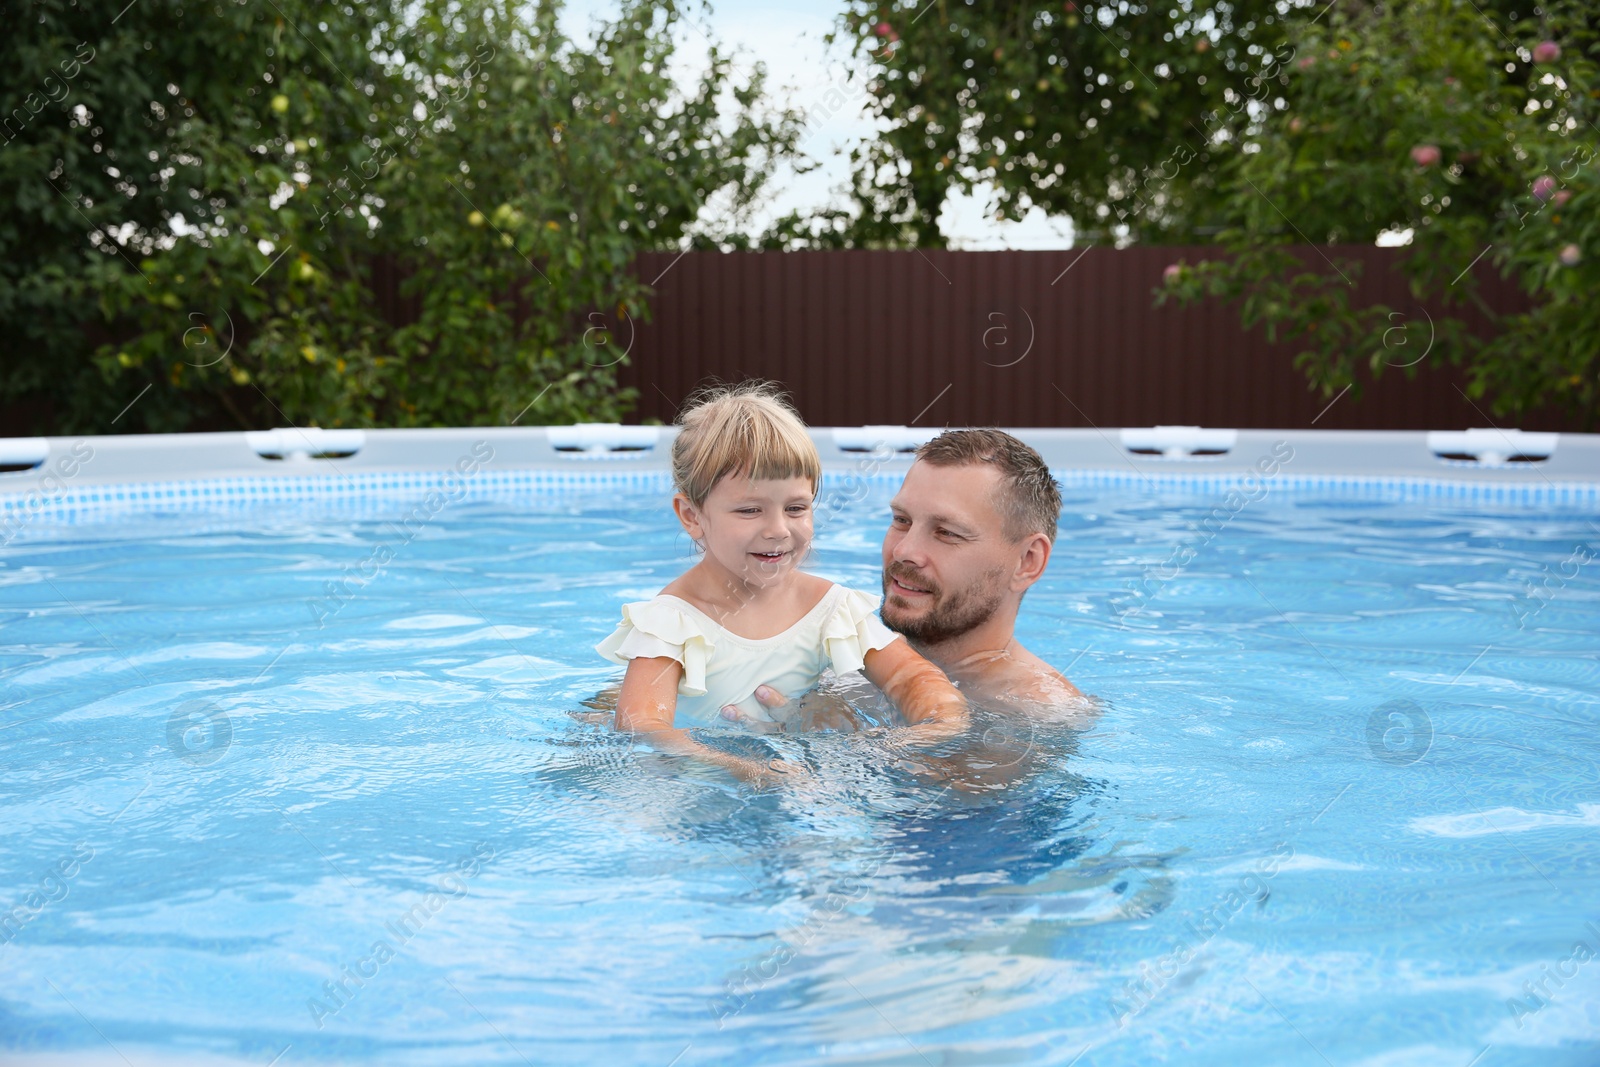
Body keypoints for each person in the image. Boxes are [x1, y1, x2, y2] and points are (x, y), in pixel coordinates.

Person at [594, 382, 969, 786]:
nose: (778, 530)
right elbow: (644, 728)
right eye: (750, 510)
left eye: (795, 508)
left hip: (793, 775)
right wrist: (746, 771)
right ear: (691, 515)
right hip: (702, 783)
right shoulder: (671, 622)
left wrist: (934, 724)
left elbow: (912, 678)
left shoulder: (831, 608)